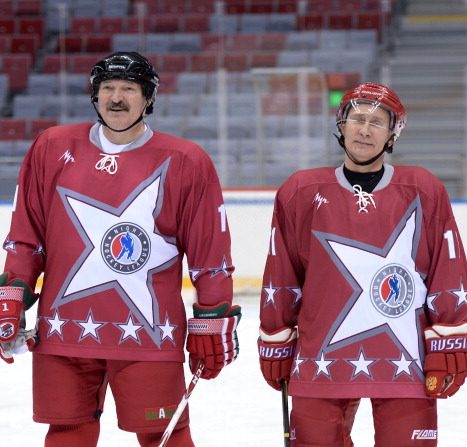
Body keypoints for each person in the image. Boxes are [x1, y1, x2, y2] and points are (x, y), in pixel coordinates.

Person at [0, 51, 241, 447]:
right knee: (67, 433)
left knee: (163, 436)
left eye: (129, 89)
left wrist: (211, 318)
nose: (116, 98)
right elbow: (27, 235)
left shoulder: (185, 161)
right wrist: (11, 296)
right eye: (107, 88)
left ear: (148, 98)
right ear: (94, 95)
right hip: (65, 331)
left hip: (149, 334)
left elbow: (210, 254)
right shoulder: (52, 147)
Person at [257, 82, 467, 446]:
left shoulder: (424, 190)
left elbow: (447, 273)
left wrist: (449, 341)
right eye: (356, 119)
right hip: (319, 357)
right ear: (342, 125)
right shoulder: (301, 192)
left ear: (392, 135)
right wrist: (275, 337)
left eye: (377, 122)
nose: (365, 129)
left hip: (406, 361)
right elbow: (282, 274)